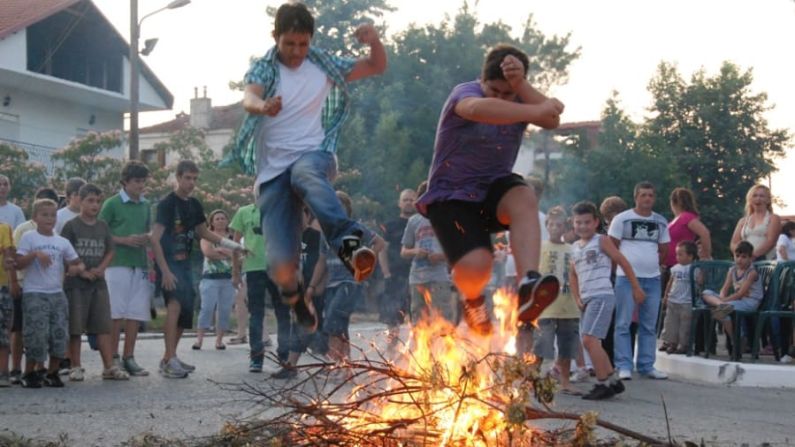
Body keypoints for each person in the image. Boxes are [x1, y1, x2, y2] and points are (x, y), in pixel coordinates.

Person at [232, 2, 387, 331]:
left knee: (305, 174)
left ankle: (350, 243)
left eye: (303, 44)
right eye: (289, 43)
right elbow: (249, 96)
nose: (296, 51)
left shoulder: (324, 64)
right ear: (275, 37)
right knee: (281, 266)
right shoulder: (264, 68)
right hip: (273, 174)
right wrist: (263, 106)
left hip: (315, 154)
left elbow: (375, 66)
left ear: (311, 40)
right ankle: (295, 297)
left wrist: (374, 41)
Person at [415, 44, 564, 336]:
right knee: (479, 265)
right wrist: (533, 107)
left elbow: (551, 120)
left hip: (493, 188)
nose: (502, 99)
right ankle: (471, 300)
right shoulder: (465, 93)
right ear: (483, 81)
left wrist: (522, 86)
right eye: (495, 91)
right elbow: (478, 109)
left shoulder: (520, 96)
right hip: (451, 195)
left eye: (509, 94)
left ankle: (528, 284)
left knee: (524, 194)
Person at [150, 160, 245, 379]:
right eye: (187, 178)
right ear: (178, 177)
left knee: (184, 313)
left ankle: (169, 358)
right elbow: (154, 239)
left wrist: (234, 246)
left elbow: (205, 233)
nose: (191, 183)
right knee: (173, 307)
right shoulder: (167, 204)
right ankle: (169, 358)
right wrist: (164, 271)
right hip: (169, 264)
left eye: (194, 178)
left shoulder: (194, 205)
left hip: (185, 266)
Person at [570, 201, 644, 400]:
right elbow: (573, 275)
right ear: (573, 224)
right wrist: (577, 297)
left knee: (589, 340)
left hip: (601, 294)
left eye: (587, 222)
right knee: (592, 342)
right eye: (579, 223)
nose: (583, 226)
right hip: (586, 299)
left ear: (595, 222)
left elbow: (622, 261)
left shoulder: (601, 240)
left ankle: (602, 383)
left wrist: (636, 287)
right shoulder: (575, 247)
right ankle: (613, 381)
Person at [60, 184, 129, 381]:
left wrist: (101, 269)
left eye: (98, 201)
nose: (95, 205)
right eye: (90, 200)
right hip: (76, 285)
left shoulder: (102, 226)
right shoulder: (71, 226)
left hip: (98, 284)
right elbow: (65, 252)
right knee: (75, 327)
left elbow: (110, 250)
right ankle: (75, 365)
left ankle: (109, 366)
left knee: (102, 326)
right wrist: (81, 271)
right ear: (80, 201)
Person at [16, 198, 84, 387]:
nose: (49, 219)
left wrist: (75, 268)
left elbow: (77, 262)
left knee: (59, 333)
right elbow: (18, 263)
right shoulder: (29, 237)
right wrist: (35, 254)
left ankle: (52, 371)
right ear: (35, 217)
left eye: (53, 215)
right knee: (36, 334)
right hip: (35, 292)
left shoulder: (61, 241)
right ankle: (29, 372)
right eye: (44, 215)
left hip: (56, 293)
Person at [608, 181, 670, 380]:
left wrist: (651, 265)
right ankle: (624, 365)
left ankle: (646, 365)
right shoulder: (622, 219)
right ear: (636, 197)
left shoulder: (660, 221)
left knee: (649, 325)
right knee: (623, 323)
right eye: (643, 195)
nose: (647, 199)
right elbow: (612, 248)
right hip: (626, 279)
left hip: (652, 279)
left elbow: (664, 250)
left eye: (650, 195)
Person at [99, 160, 153, 377]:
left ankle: (129, 357)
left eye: (143, 181)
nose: (141, 185)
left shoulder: (146, 205)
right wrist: (123, 240)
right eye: (137, 181)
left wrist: (146, 238)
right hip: (116, 263)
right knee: (115, 313)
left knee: (135, 313)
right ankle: (112, 358)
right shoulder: (111, 204)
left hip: (139, 264)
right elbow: (100, 233)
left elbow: (150, 231)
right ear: (125, 182)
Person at [529, 206, 582, 395]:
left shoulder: (572, 249)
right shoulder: (540, 247)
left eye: (558, 225)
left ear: (565, 227)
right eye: (551, 225)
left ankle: (565, 381)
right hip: (545, 306)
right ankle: (533, 378)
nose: (554, 228)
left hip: (568, 304)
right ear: (547, 225)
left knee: (567, 345)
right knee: (543, 344)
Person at [9, 187, 59, 385]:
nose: (48, 216)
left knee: (42, 329)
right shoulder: (24, 230)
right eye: (43, 209)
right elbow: (14, 257)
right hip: (24, 284)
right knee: (20, 328)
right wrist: (14, 281)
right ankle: (16, 368)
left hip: (49, 288)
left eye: (51, 211)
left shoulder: (55, 232)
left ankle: (40, 367)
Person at [230, 203, 285, 373]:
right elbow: (236, 243)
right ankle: (256, 357)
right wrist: (235, 271)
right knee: (256, 313)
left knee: (283, 312)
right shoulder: (244, 211)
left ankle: (284, 355)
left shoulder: (280, 208)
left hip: (279, 268)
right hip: (254, 268)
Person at [320, 191, 363, 371]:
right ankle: (346, 365)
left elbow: (372, 248)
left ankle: (336, 365)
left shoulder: (353, 228)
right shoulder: (324, 231)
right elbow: (322, 260)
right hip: (330, 283)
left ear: (347, 208)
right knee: (340, 325)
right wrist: (315, 285)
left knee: (331, 323)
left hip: (347, 282)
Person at [401, 182, 454, 325]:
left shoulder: (446, 219)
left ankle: (443, 347)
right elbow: (404, 251)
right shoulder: (414, 221)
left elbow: (456, 252)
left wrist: (440, 256)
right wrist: (415, 251)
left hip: (439, 277)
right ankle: (422, 347)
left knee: (443, 320)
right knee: (419, 321)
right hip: (417, 277)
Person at [702, 241, 763, 342]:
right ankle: (737, 337)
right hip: (736, 301)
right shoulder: (732, 270)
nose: (739, 259)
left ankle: (736, 339)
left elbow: (740, 294)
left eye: (744, 257)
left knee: (720, 312)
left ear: (751, 258)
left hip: (749, 302)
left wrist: (725, 300)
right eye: (737, 256)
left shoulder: (752, 273)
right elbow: (725, 288)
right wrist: (722, 298)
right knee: (706, 293)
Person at [379, 188, 416, 350]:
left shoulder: (420, 223)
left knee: (418, 319)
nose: (408, 202)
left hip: (416, 276)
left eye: (411, 199)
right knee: (392, 320)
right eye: (405, 199)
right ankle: (391, 356)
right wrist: (386, 274)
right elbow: (382, 250)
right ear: (399, 203)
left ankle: (418, 356)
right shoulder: (390, 225)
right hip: (395, 276)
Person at [194, 210, 236, 351]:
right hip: (210, 279)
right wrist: (228, 254)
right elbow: (208, 253)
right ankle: (199, 340)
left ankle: (219, 341)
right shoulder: (207, 237)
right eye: (217, 219)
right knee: (206, 308)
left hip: (228, 279)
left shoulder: (232, 237)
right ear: (211, 222)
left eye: (223, 218)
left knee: (224, 310)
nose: (220, 221)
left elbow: (240, 255)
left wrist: (222, 251)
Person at [659, 241, 697, 355]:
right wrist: (666, 295)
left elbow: (700, 281)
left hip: (686, 301)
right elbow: (670, 282)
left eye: (681, 254)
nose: (677, 257)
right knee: (671, 322)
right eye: (677, 254)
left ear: (690, 256)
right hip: (673, 299)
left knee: (684, 324)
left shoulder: (694, 268)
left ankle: (683, 344)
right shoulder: (675, 268)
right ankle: (671, 342)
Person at [730, 184, 782, 261]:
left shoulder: (774, 218)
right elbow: (734, 243)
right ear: (750, 199)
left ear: (768, 200)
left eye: (761, 196)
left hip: (765, 262)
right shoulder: (743, 221)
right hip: (744, 263)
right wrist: (740, 255)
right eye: (755, 196)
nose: (758, 198)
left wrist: (752, 256)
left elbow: (771, 241)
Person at [666, 188, 712, 266]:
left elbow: (704, 233)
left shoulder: (686, 217)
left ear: (673, 202)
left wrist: (705, 255)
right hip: (669, 265)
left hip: (681, 265)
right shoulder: (676, 219)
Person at [0, 220, 15, 387]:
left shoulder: (4, 228)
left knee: (3, 332)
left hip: (1, 287)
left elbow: (8, 257)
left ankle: (3, 372)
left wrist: (7, 262)